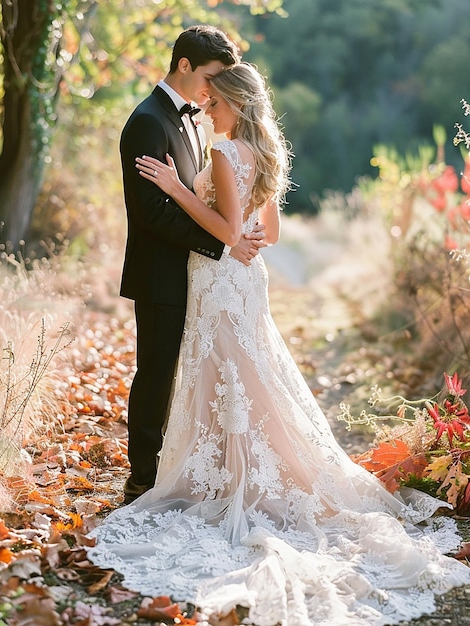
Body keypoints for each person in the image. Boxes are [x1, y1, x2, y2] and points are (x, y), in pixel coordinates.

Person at [89, 63, 470, 625]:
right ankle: (240, 469)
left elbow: (224, 231)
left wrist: (173, 187)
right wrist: (245, 235)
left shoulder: (223, 153)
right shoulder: (266, 151)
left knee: (228, 375)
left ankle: (234, 476)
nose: (208, 110)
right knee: (246, 375)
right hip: (247, 279)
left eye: (215, 103)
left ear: (235, 105)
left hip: (221, 279)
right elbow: (270, 232)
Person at [118, 25, 266, 505]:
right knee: (156, 373)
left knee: (197, 375)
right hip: (161, 273)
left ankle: (191, 469)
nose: (214, 89)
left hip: (196, 272)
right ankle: (142, 478)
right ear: (184, 65)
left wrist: (237, 233)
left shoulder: (192, 120)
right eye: (211, 76)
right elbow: (153, 213)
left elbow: (217, 197)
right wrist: (224, 244)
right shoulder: (147, 121)